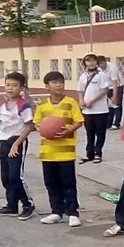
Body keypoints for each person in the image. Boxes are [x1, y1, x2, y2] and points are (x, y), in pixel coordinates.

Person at [34, 71, 85, 228]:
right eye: (55, 82)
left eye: (61, 82)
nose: (59, 85)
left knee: (68, 183)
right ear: (46, 86)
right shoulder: (42, 105)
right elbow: (36, 123)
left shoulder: (70, 102)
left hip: (66, 153)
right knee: (51, 183)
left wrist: (68, 131)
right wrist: (43, 129)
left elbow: (79, 121)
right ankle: (56, 211)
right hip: (48, 153)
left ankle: (72, 213)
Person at [0, 71, 36, 220]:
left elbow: (29, 126)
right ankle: (12, 206)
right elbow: (2, 126)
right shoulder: (3, 106)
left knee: (16, 176)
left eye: (15, 85)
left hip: (17, 141)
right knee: (6, 177)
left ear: (21, 88)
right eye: (8, 85)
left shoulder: (23, 106)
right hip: (4, 142)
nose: (10, 88)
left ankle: (27, 204)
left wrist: (17, 143)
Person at [78, 52, 112, 164]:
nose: (91, 63)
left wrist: (92, 101)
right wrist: (81, 101)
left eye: (93, 60)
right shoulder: (83, 76)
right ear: (85, 63)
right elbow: (80, 91)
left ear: (97, 63)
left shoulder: (101, 75)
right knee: (89, 133)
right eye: (88, 61)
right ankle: (89, 154)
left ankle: (98, 153)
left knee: (100, 133)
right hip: (87, 110)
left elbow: (105, 90)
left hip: (100, 110)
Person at [97, 56, 123, 129]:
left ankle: (116, 124)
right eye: (99, 65)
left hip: (117, 86)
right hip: (107, 87)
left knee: (116, 104)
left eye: (101, 64)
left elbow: (115, 82)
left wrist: (115, 96)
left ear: (104, 62)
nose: (100, 67)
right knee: (109, 105)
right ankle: (108, 123)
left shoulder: (112, 68)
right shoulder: (99, 69)